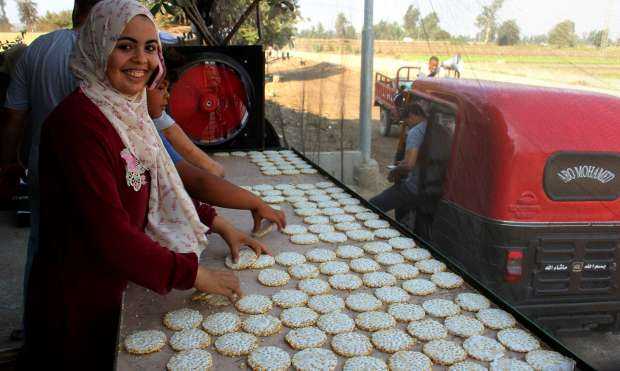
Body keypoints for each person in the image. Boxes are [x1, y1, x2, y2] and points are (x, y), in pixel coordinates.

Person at [19, 1, 251, 368]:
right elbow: (109, 234)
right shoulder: (78, 125)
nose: (141, 59)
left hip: (114, 290)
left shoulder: (128, 110)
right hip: (77, 303)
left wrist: (215, 221)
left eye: (150, 47)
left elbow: (158, 184)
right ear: (98, 45)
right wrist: (194, 274)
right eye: (125, 45)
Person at [148, 78, 225, 177]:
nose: (168, 95)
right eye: (160, 88)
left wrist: (213, 168)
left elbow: (214, 169)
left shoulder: (157, 119)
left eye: (167, 89)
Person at [370, 101, 428, 222]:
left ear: (412, 116)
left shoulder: (416, 132)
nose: (407, 125)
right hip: (429, 187)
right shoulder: (432, 128)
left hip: (413, 188)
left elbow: (409, 165)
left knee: (372, 205)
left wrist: (394, 171)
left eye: (407, 122)